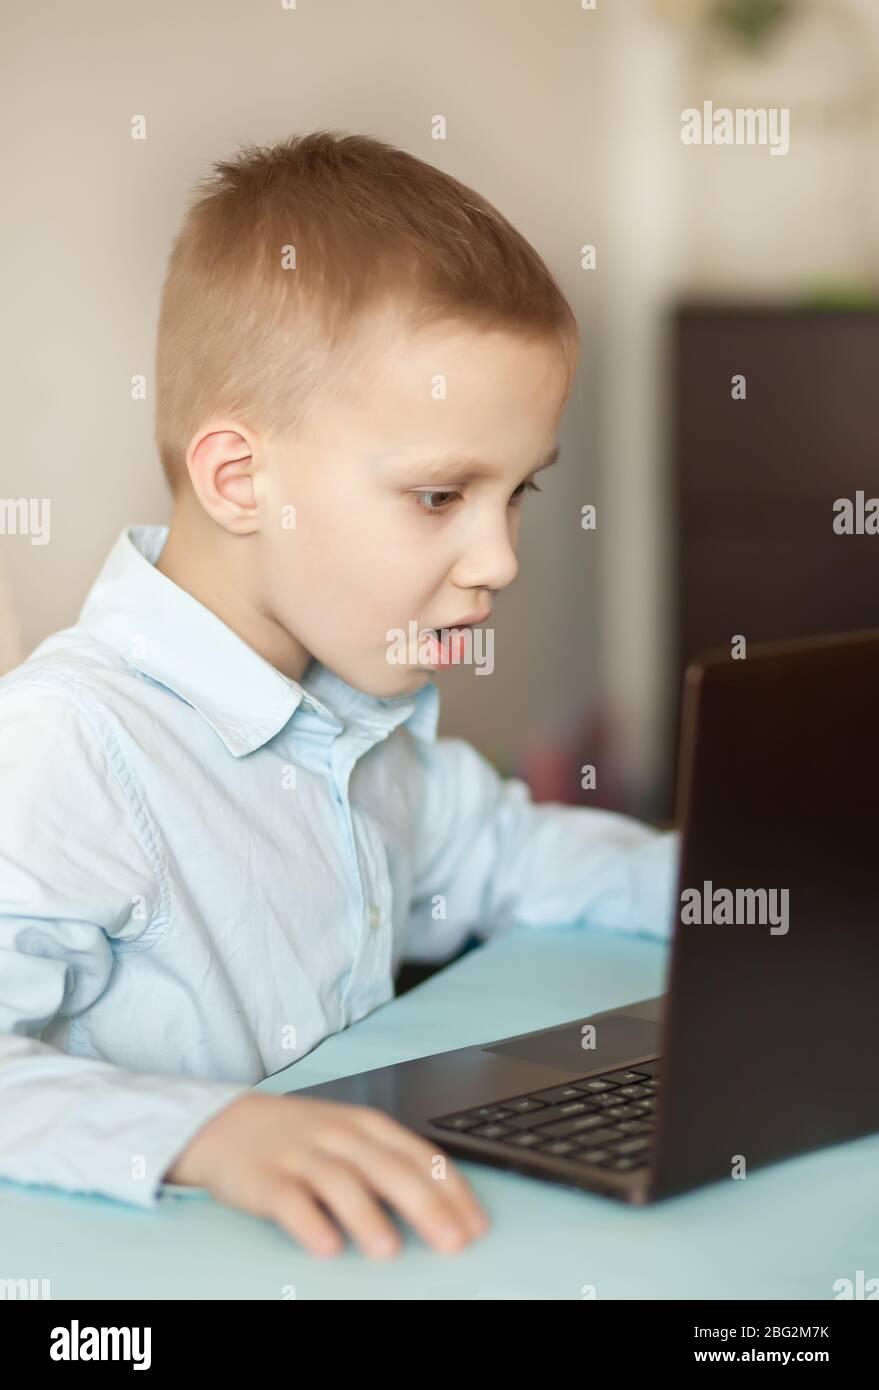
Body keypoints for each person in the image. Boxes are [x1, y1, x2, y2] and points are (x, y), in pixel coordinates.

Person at [0, 131, 679, 1260]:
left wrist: (762, 890)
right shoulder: (67, 744)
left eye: (518, 494)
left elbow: (509, 855)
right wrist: (206, 1133)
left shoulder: (361, 713)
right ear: (241, 480)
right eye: (440, 494)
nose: (501, 558)